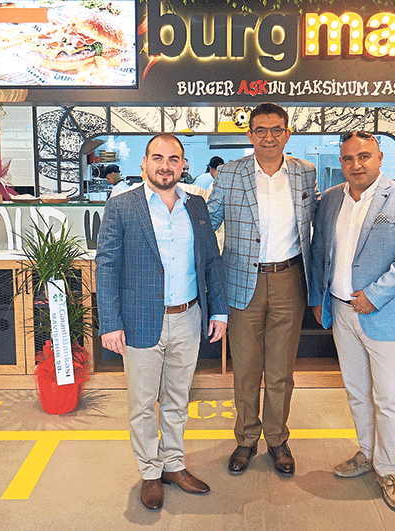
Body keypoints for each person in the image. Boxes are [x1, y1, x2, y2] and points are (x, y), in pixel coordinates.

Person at [95, 133, 229, 511]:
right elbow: (106, 266)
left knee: (177, 399)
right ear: (144, 163)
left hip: (188, 317)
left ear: (183, 165)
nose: (165, 166)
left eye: (173, 159)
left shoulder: (196, 205)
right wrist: (110, 322)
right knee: (141, 404)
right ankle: (150, 472)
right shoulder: (122, 206)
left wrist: (218, 310)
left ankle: (173, 465)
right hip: (139, 320)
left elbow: (210, 259)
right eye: (158, 157)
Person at [309, 131, 395, 512]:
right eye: (348, 158)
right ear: (341, 163)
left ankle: (390, 469)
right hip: (341, 311)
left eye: (364, 156)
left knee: (389, 396)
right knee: (357, 391)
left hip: (384, 313)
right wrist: (317, 299)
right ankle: (367, 452)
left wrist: (374, 296)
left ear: (379, 158)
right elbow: (318, 250)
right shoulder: (331, 199)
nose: (356, 165)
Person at [207, 102, 319, 477]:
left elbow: (317, 222)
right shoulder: (229, 173)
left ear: (287, 133)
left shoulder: (305, 172)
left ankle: (277, 439)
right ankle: (245, 439)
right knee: (246, 369)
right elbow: (208, 222)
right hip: (242, 281)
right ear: (250, 134)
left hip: (289, 279)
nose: (268, 137)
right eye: (260, 130)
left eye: (276, 129)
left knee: (281, 371)